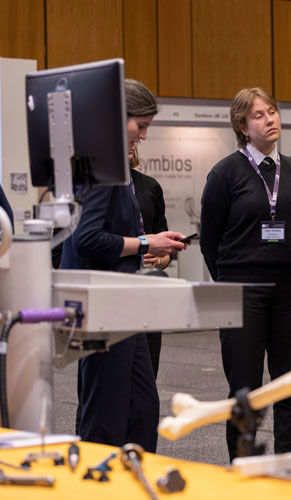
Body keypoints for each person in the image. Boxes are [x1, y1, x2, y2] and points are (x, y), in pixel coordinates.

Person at [62, 78, 188, 452]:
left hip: (125, 304)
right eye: (142, 125)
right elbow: (86, 238)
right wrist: (148, 242)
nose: (144, 136)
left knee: (141, 411)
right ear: (119, 118)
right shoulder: (101, 163)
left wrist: (149, 245)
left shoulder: (114, 165)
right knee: (106, 416)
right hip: (105, 306)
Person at [200, 87, 291, 461]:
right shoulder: (224, 173)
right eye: (260, 115)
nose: (271, 119)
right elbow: (210, 238)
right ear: (242, 126)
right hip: (241, 290)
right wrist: (232, 279)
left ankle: (286, 464)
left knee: (288, 384)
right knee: (244, 386)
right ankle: (242, 466)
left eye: (273, 112)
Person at [130, 147, 170, 378]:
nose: (134, 143)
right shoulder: (90, 188)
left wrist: (161, 258)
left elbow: (163, 245)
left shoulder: (149, 186)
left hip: (147, 291)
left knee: (146, 371)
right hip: (110, 290)